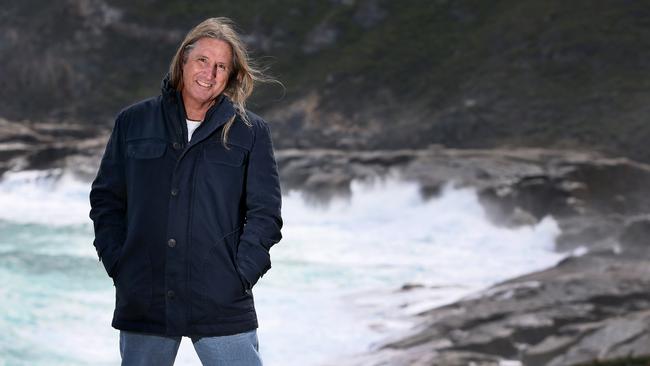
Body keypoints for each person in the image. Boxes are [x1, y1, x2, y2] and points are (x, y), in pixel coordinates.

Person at [89, 17, 283, 366]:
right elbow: (107, 200)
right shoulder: (133, 122)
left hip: (221, 299)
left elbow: (265, 214)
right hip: (145, 296)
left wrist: (241, 274)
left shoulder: (250, 132)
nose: (209, 73)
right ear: (183, 61)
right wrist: (120, 264)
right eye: (202, 61)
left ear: (231, 76)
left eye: (221, 66)